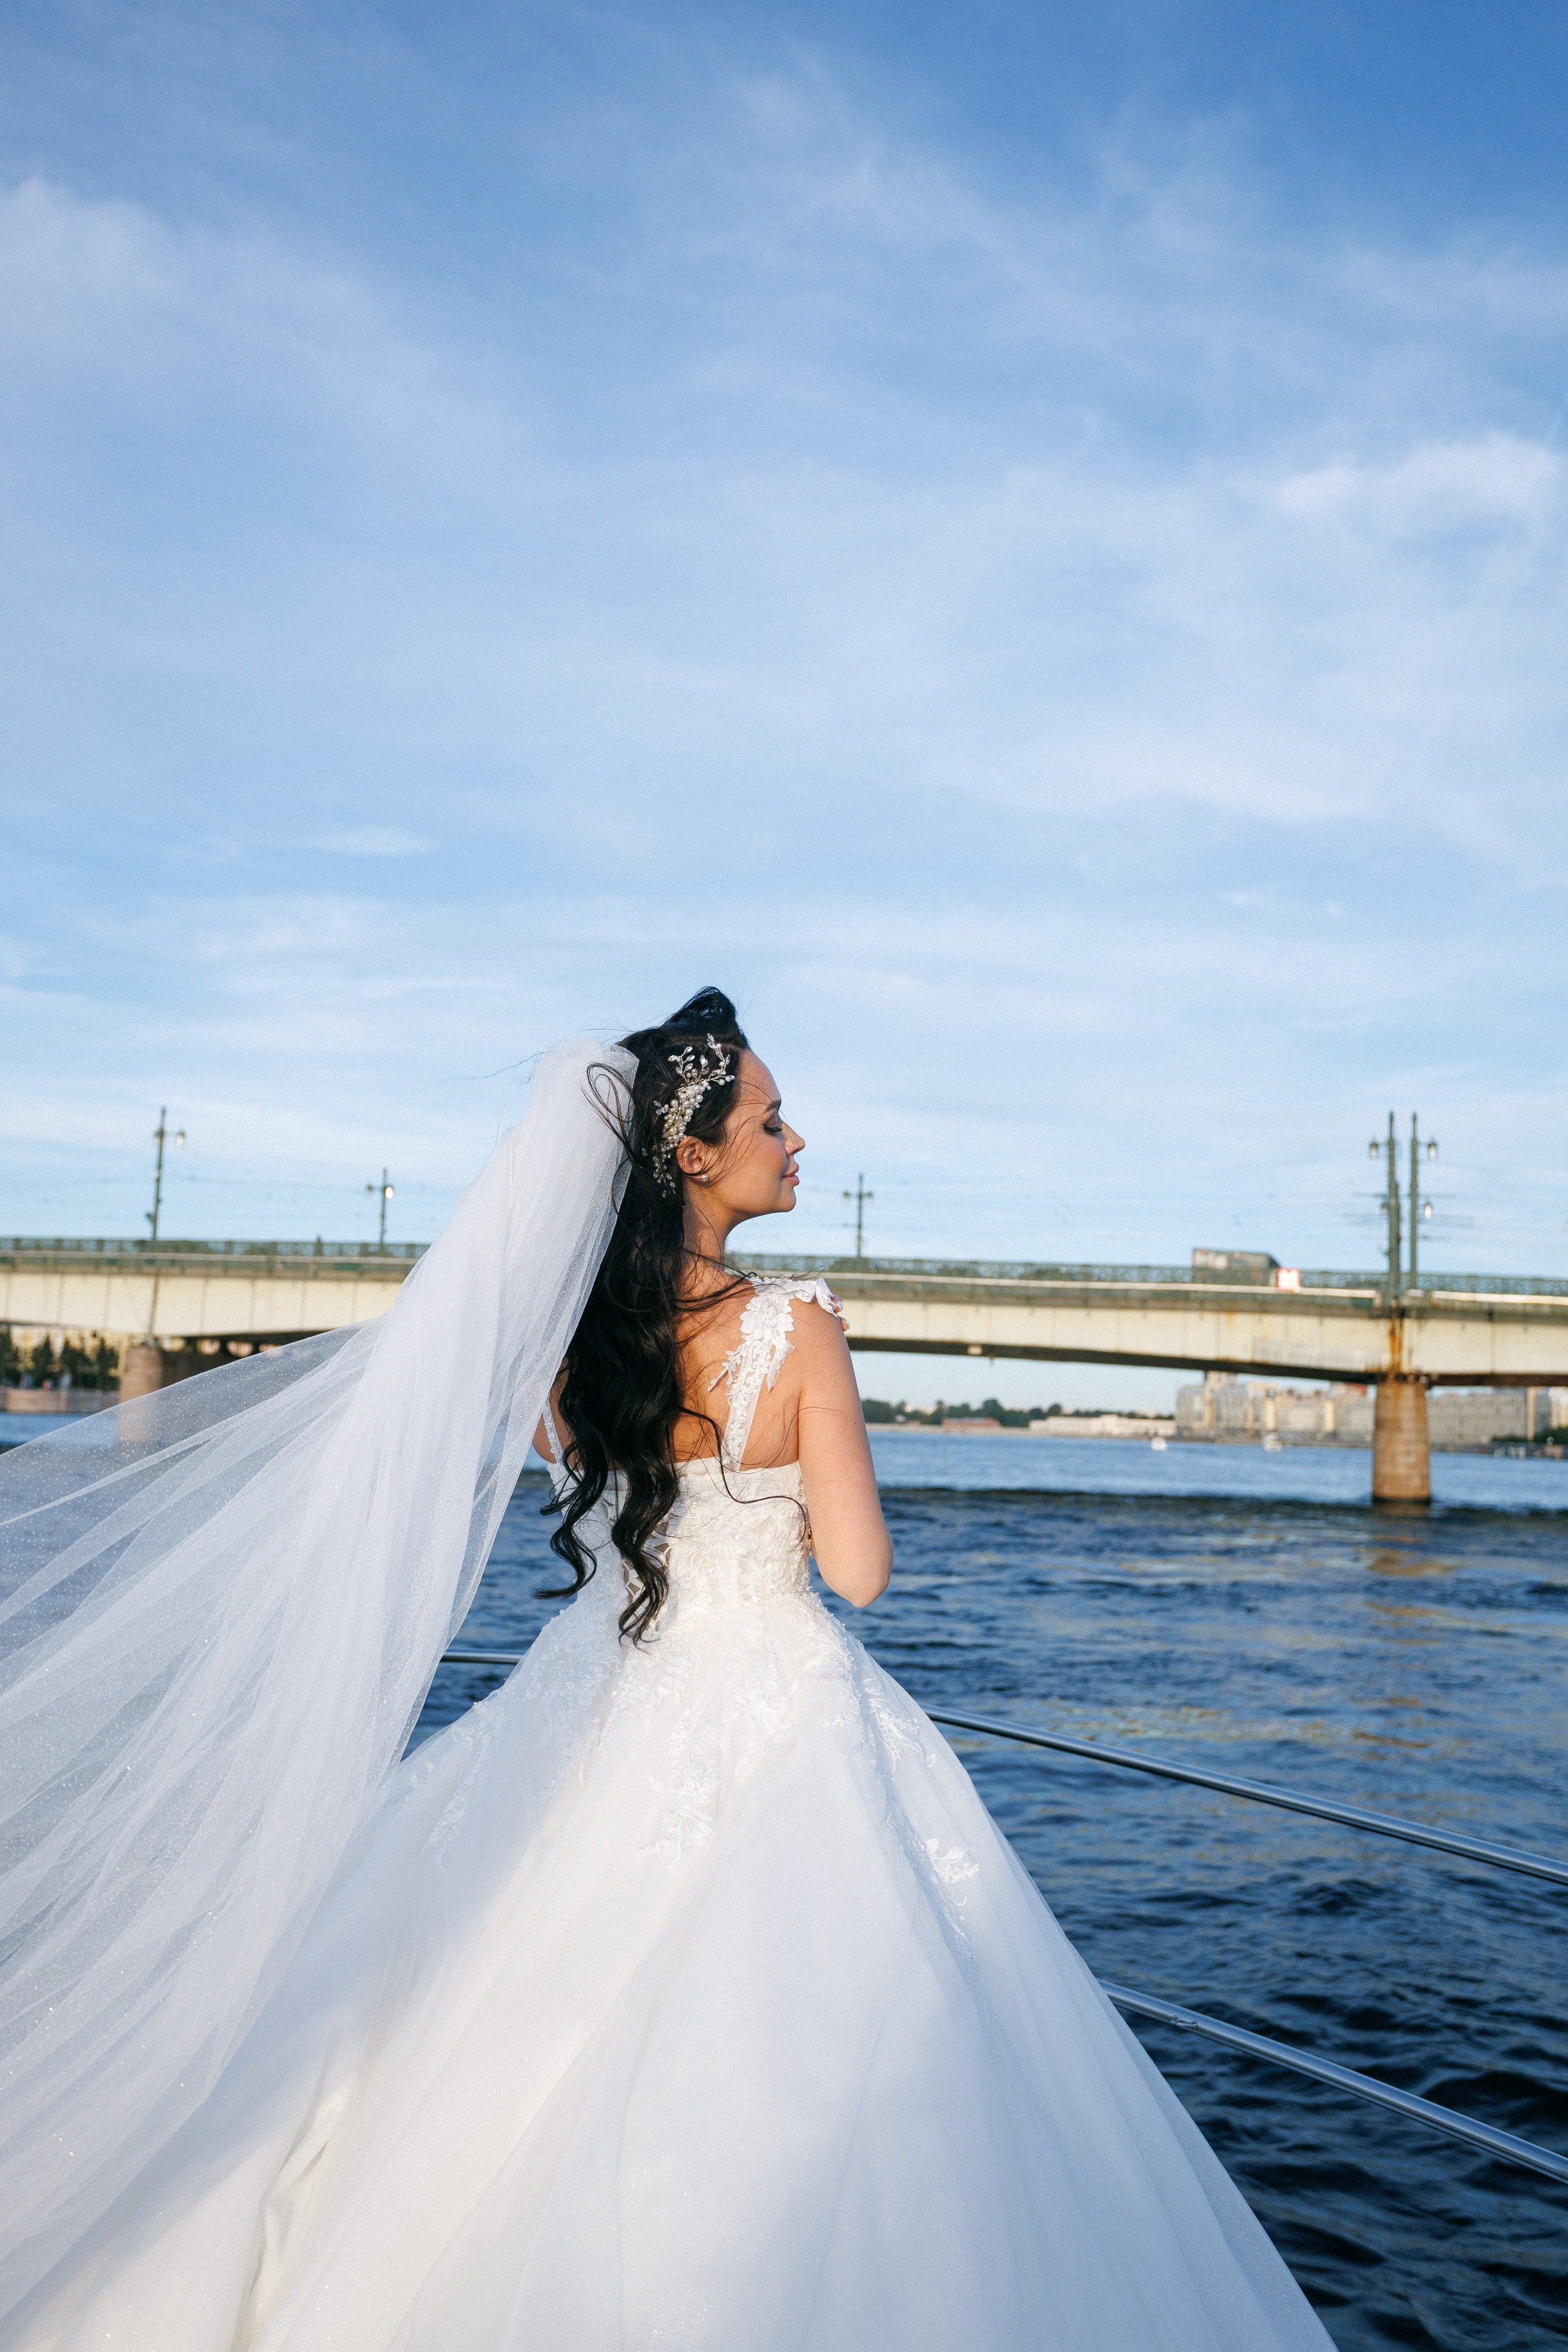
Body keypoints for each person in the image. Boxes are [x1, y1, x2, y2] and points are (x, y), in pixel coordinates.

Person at [0, 990, 1333, 2351]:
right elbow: (860, 1575)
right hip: (776, 1715)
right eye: (768, 1117)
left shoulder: (565, 1348)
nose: (795, 1137)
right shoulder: (798, 1326)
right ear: (693, 1153)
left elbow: (579, 1479)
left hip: (583, 1701)